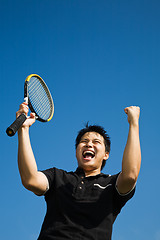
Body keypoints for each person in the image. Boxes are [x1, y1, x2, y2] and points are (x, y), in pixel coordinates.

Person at [17, 102, 141, 240]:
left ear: (106, 154)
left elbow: (130, 175)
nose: (89, 144)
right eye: (84, 141)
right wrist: (23, 129)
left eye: (96, 142)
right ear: (76, 151)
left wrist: (133, 123)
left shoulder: (111, 183)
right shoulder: (57, 176)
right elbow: (30, 180)